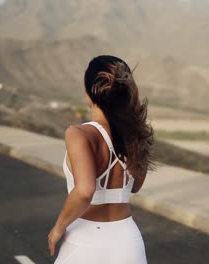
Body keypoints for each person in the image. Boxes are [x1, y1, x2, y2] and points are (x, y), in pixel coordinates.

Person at [48, 55, 155, 264]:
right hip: (128, 243)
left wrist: (58, 228)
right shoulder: (135, 134)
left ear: (90, 93)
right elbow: (135, 186)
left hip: (86, 241)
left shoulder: (79, 134)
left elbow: (85, 191)